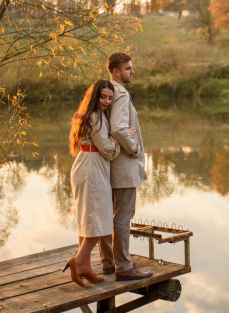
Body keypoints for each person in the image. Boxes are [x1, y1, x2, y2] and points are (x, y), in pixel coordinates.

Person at [63, 80, 135, 286]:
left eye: (110, 98)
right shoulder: (95, 117)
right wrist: (124, 140)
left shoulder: (90, 114)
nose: (106, 101)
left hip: (88, 164)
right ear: (94, 96)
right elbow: (108, 149)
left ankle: (85, 266)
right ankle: (77, 262)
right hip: (93, 168)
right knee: (100, 221)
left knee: (89, 218)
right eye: (103, 97)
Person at [99, 52, 153, 281]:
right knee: (123, 216)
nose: (133, 71)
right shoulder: (119, 92)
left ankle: (108, 263)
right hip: (124, 165)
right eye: (129, 68)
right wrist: (134, 149)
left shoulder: (104, 91)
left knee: (108, 214)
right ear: (116, 71)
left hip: (110, 165)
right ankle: (124, 267)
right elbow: (119, 128)